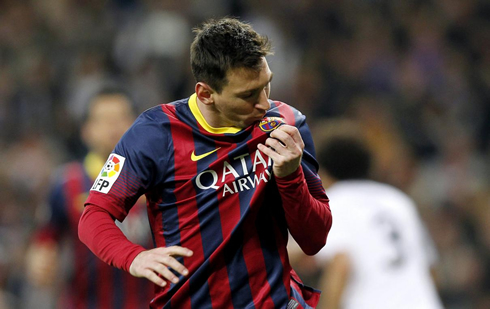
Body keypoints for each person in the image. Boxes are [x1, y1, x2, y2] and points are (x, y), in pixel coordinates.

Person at [78, 17, 332, 308]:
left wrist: (290, 177)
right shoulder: (154, 136)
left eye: (267, 85)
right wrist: (134, 257)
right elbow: (94, 215)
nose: (264, 103)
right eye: (248, 95)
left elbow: (315, 239)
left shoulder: (287, 124)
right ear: (205, 94)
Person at [26, 86, 154, 308]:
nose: (114, 126)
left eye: (121, 117)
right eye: (104, 119)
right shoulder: (67, 184)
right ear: (86, 131)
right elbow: (45, 239)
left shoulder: (159, 180)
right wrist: (39, 261)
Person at [311, 120, 443, 309]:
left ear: (322, 170)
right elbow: (430, 271)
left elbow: (341, 264)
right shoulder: (397, 200)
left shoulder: (334, 202)